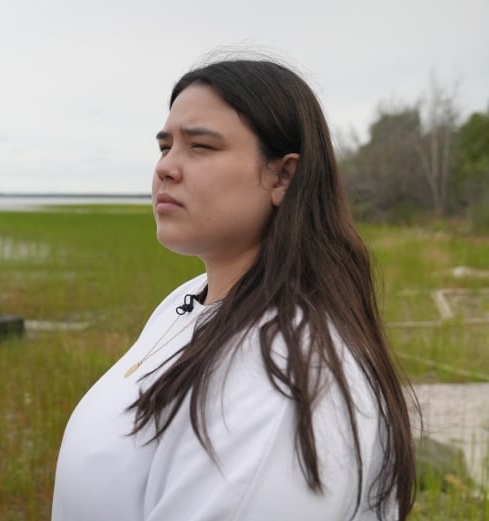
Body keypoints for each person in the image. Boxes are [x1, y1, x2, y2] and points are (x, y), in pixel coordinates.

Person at [51, 58, 416, 520]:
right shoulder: (187, 301)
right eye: (165, 147)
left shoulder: (287, 377)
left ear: (282, 176)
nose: (166, 168)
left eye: (200, 146)